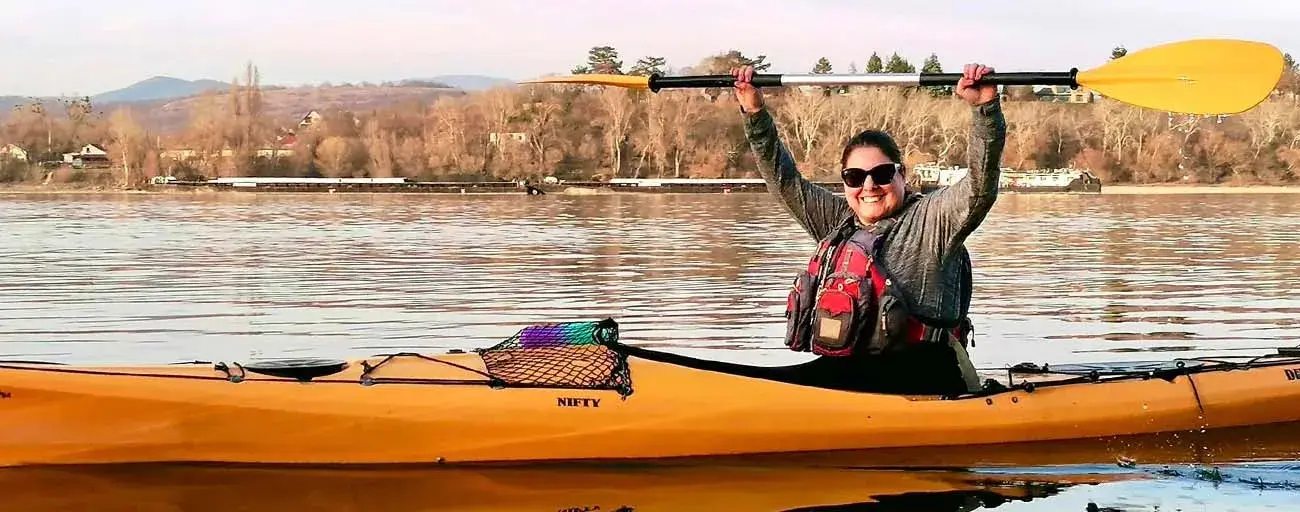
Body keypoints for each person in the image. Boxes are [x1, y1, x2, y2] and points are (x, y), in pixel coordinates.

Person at [732, 63, 1006, 396]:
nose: (869, 186)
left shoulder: (934, 221)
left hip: (927, 374)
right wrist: (754, 112)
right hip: (850, 376)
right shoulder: (838, 222)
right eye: (855, 177)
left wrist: (985, 110)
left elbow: (980, 186)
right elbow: (784, 181)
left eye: (882, 173)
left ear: (901, 174)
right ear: (845, 182)